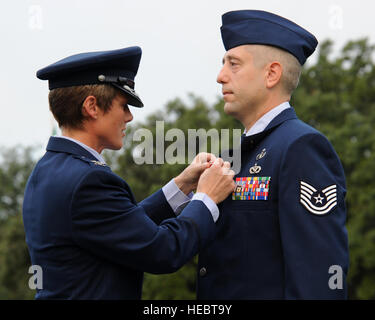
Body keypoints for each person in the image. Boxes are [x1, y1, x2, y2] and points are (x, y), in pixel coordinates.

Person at [23, 46, 235, 299]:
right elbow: (164, 251)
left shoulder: (50, 168)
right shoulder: (89, 179)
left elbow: (118, 227)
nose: (129, 117)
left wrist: (181, 186)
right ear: (92, 106)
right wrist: (206, 197)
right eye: (123, 105)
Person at [197, 10, 349, 299]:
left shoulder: (302, 147)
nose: (220, 77)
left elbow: (321, 274)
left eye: (234, 64)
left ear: (272, 74)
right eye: (222, 64)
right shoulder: (234, 154)